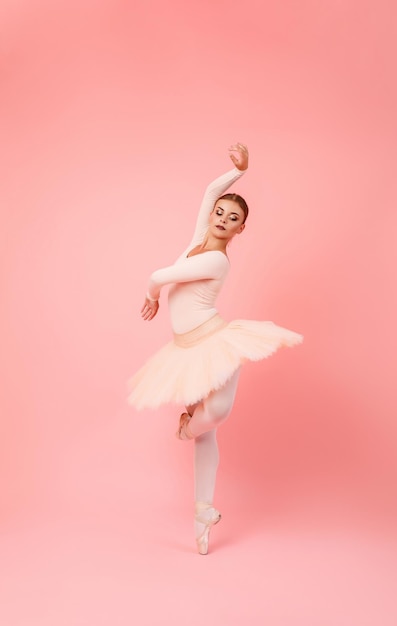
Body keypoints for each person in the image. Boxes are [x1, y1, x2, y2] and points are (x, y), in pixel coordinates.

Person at [128, 143, 303, 555]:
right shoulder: (196, 242)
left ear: (241, 230)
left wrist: (153, 294)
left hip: (213, 342)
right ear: (212, 216)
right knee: (210, 435)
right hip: (185, 350)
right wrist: (237, 172)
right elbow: (210, 192)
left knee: (215, 414)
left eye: (234, 218)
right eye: (221, 213)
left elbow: (158, 275)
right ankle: (203, 510)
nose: (224, 219)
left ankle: (188, 426)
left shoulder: (217, 262)